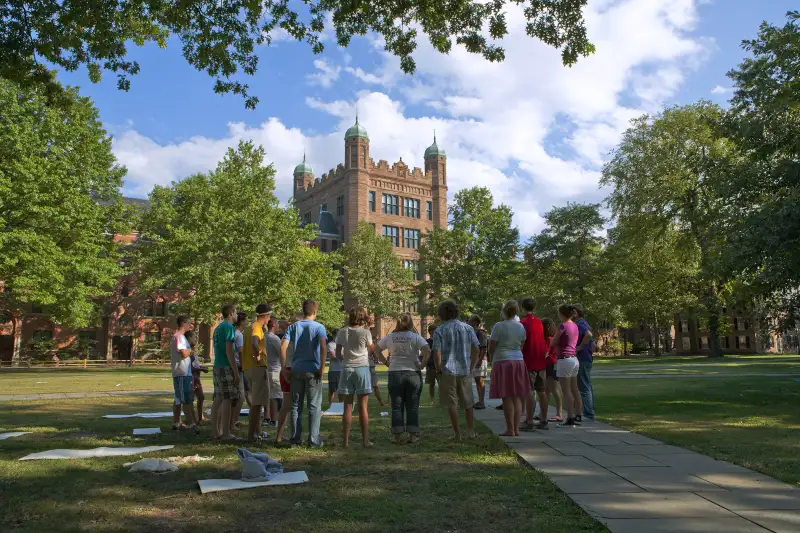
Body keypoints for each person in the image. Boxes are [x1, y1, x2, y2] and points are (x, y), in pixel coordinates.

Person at [376, 314, 430, 444]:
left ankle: (397, 436)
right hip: (413, 373)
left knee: (396, 406)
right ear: (411, 324)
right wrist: (422, 365)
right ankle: (413, 435)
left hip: (395, 372)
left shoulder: (390, 337)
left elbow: (377, 349)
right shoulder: (415, 337)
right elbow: (427, 350)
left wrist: (385, 362)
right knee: (412, 405)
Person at [281, 300, 328, 448]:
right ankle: (313, 440)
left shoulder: (293, 327)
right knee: (314, 406)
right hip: (313, 369)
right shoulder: (319, 327)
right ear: (315, 311)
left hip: (296, 369)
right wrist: (321, 368)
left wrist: (284, 369)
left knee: (295, 405)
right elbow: (323, 346)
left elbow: (283, 347)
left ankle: (295, 439)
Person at [432, 300, 480, 440]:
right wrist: (471, 367)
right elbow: (476, 349)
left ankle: (457, 433)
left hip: (447, 371)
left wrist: (438, 368)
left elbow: (436, 352)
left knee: (451, 403)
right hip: (464, 370)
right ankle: (470, 431)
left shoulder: (440, 330)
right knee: (468, 402)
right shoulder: (468, 328)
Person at [488, 300, 529, 437]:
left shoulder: (499, 326)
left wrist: (491, 357)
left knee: (506, 397)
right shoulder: (520, 327)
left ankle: (510, 429)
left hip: (502, 360)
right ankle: (516, 429)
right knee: (517, 396)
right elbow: (522, 344)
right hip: (518, 361)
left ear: (504, 311)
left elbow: (492, 344)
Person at [336, 306, 374, 448]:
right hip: (362, 369)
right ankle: (365, 440)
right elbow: (371, 348)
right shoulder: (365, 332)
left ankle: (345, 441)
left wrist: (345, 360)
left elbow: (338, 352)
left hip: (347, 369)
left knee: (347, 406)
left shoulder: (342, 331)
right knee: (363, 406)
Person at [211, 304, 242, 441]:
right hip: (225, 366)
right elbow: (229, 350)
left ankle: (215, 431)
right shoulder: (229, 328)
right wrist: (235, 371)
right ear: (231, 313)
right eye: (235, 313)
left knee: (218, 399)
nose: (237, 316)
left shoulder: (218, 328)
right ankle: (225, 433)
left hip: (217, 365)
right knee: (227, 399)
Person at [242, 304, 272, 442]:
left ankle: (255, 433)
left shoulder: (247, 328)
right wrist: (258, 357)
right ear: (265, 316)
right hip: (257, 368)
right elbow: (255, 343)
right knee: (257, 405)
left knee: (256, 404)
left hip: (248, 368)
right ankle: (251, 436)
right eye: (269, 316)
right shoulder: (257, 327)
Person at [519, 298, 548, 431]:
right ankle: (544, 419)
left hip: (529, 360)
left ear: (522, 308)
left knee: (529, 391)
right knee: (542, 391)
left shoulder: (523, 323)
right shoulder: (539, 322)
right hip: (541, 360)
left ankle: (529, 421)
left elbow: (522, 342)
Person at [551, 304, 581, 427]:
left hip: (564, 360)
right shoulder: (575, 325)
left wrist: (557, 344)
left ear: (562, 314)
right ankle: (578, 414)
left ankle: (570, 417)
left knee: (566, 390)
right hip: (574, 359)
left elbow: (553, 342)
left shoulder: (563, 325)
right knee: (575, 389)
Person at [275, 313, 302, 444]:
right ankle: (293, 436)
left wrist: (283, 368)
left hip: (285, 369)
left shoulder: (286, 336)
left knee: (286, 406)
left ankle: (279, 436)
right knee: (294, 406)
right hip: (292, 369)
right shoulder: (295, 336)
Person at [170, 315, 197, 433]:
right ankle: (191, 424)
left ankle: (176, 422)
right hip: (182, 373)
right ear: (183, 324)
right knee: (185, 398)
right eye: (188, 323)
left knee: (178, 399)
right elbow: (184, 353)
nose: (189, 326)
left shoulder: (180, 337)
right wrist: (191, 349)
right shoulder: (179, 337)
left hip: (183, 372)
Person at [573, 304, 595, 422]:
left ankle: (588, 414)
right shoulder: (583, 323)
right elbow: (593, 342)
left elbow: (588, 335)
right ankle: (589, 411)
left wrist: (580, 347)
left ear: (576, 313)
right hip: (586, 358)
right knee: (587, 385)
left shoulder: (580, 324)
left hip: (582, 358)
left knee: (584, 387)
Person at [542, 318, 564, 423]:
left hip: (550, 365)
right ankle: (543, 413)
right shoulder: (552, 338)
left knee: (554, 389)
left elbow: (545, 354)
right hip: (552, 364)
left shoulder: (548, 340)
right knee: (546, 390)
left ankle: (559, 414)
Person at [231, 312, 248, 430]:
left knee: (235, 396)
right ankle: (233, 421)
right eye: (246, 320)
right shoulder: (239, 335)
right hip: (237, 367)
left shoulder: (234, 333)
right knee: (240, 396)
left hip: (234, 366)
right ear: (241, 321)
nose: (247, 322)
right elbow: (240, 353)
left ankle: (233, 420)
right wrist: (243, 366)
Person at [186, 330, 208, 423]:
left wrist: (200, 367)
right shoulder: (187, 351)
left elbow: (195, 364)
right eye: (194, 337)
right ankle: (193, 418)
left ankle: (201, 416)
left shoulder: (192, 350)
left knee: (201, 397)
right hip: (190, 378)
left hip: (196, 378)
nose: (196, 339)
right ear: (188, 338)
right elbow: (189, 367)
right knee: (190, 399)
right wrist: (201, 369)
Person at [264, 317, 283, 427]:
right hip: (275, 369)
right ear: (273, 325)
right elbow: (281, 353)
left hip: (266, 369)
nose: (278, 327)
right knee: (275, 396)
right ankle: (274, 420)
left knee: (269, 395)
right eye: (277, 324)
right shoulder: (274, 338)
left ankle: (268, 418)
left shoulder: (263, 337)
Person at [469, 315, 489, 410]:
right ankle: (478, 401)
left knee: (479, 380)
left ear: (476, 322)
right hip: (474, 359)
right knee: (477, 380)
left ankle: (481, 402)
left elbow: (484, 348)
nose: (469, 322)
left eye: (471, 321)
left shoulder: (481, 333)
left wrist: (479, 360)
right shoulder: (472, 332)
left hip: (480, 359)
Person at [366, 316, 386, 407]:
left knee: (374, 385)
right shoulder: (367, 335)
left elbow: (374, 351)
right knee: (374, 386)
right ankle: (381, 403)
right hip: (366, 364)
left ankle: (381, 403)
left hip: (368, 364)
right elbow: (374, 351)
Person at [326, 328, 341, 406]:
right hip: (333, 370)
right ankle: (331, 405)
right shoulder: (330, 344)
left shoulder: (344, 344)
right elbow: (333, 356)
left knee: (342, 390)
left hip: (343, 370)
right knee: (332, 390)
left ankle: (341, 405)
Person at [425, 324, 439, 403]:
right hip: (430, 366)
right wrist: (426, 364)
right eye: (433, 331)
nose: (434, 332)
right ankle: (432, 399)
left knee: (441, 384)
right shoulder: (427, 342)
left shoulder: (440, 341)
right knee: (431, 384)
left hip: (439, 366)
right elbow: (425, 353)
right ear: (429, 332)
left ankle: (442, 398)